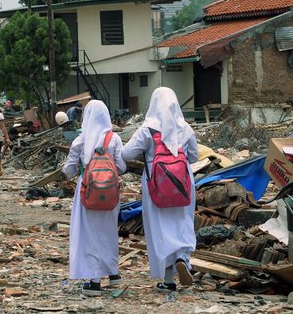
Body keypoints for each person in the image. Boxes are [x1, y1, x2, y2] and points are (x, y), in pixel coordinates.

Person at [121, 87, 198, 293]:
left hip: (157, 182)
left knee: (160, 228)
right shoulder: (185, 127)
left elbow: (127, 154)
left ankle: (168, 280)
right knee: (182, 222)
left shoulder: (148, 129)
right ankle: (182, 257)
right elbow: (194, 157)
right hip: (183, 182)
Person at [62, 100, 126, 297]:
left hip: (87, 192)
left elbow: (68, 170)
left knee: (89, 234)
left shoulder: (80, 140)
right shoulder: (114, 138)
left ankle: (94, 282)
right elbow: (122, 167)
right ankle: (114, 274)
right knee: (108, 232)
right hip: (110, 193)